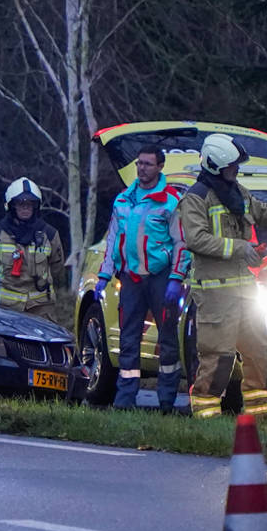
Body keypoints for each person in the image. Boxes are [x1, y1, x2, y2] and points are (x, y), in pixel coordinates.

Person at [178, 133, 267, 420]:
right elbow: (196, 239)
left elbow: (258, 209)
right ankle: (206, 415)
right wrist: (240, 248)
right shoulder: (195, 198)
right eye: (232, 166)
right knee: (218, 356)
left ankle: (259, 414)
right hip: (214, 292)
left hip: (245, 290)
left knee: (262, 350)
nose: (236, 170)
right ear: (215, 165)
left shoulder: (237, 190)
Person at [96, 145, 187, 411]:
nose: (142, 168)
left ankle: (167, 400)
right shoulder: (124, 199)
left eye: (148, 164)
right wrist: (104, 273)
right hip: (131, 278)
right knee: (128, 337)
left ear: (160, 167)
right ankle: (125, 400)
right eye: (139, 164)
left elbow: (181, 243)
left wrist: (175, 278)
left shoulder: (170, 201)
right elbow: (114, 238)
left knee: (167, 339)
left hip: (160, 278)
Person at [0, 178, 63, 321]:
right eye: (21, 203)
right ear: (12, 206)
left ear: (36, 207)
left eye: (29, 204)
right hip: (6, 309)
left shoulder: (50, 235)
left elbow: (57, 269)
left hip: (41, 309)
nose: (25, 208)